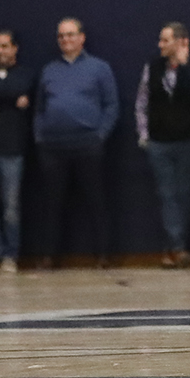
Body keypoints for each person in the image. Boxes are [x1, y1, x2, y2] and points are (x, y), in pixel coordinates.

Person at [32, 17, 116, 267]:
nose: (65, 40)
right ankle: (49, 256)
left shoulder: (100, 68)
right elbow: (39, 108)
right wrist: (40, 137)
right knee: (52, 204)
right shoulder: (49, 70)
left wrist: (100, 136)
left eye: (70, 35)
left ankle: (102, 255)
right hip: (53, 147)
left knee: (96, 201)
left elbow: (111, 105)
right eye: (61, 36)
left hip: (87, 143)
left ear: (82, 37)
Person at [134, 19, 190, 267]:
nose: (160, 45)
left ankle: (172, 248)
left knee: (184, 195)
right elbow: (142, 101)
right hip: (159, 142)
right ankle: (178, 247)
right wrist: (144, 134)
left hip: (188, 140)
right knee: (167, 194)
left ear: (181, 42)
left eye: (165, 40)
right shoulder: (153, 66)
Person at [0, 28, 31, 271]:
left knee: (11, 207)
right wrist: (12, 99)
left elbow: (18, 87)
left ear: (14, 48)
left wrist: (2, 94)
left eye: (4, 46)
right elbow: (6, 92)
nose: (0, 51)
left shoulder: (25, 74)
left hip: (13, 149)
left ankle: (11, 254)